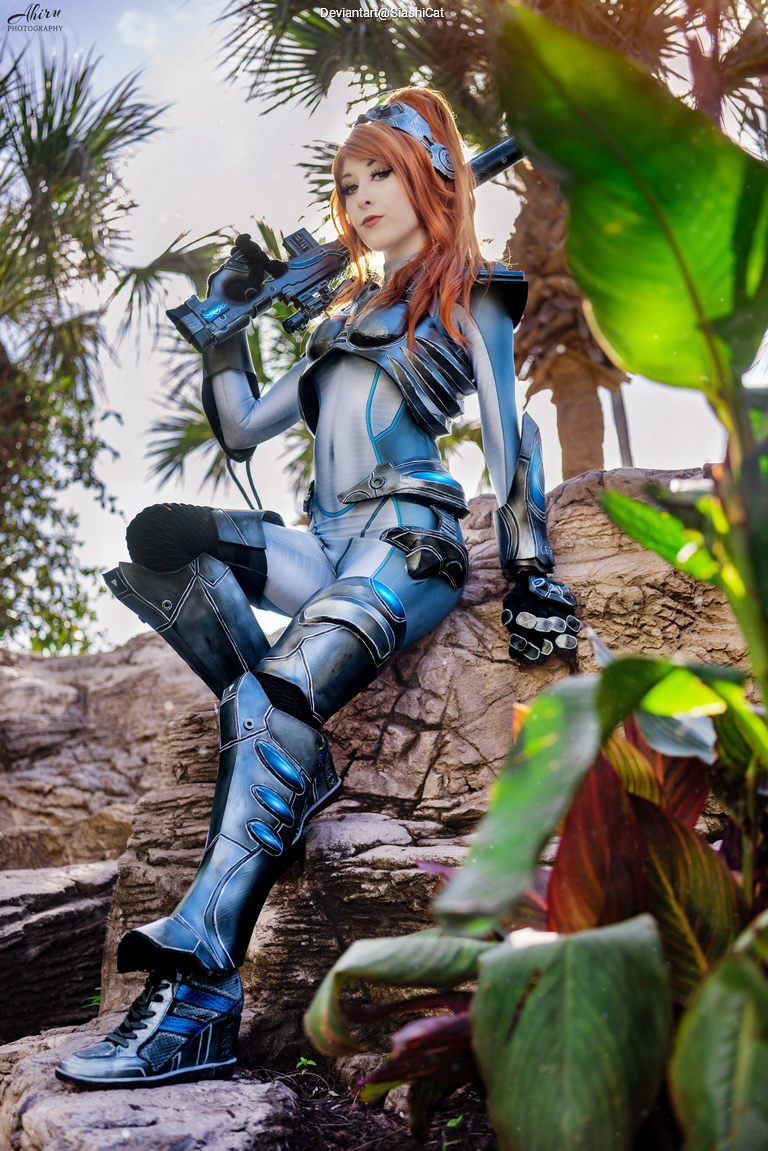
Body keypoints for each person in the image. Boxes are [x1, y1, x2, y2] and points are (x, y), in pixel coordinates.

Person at [56, 87, 580, 1089]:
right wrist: (220, 333)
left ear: (429, 175)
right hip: (324, 541)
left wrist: (530, 569)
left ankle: (202, 991)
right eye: (350, 180)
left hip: (407, 539)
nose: (364, 192)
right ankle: (289, 755)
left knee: (274, 692)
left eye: (383, 170)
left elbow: (517, 437)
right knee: (162, 544)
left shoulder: (469, 291)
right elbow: (245, 428)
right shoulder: (340, 324)